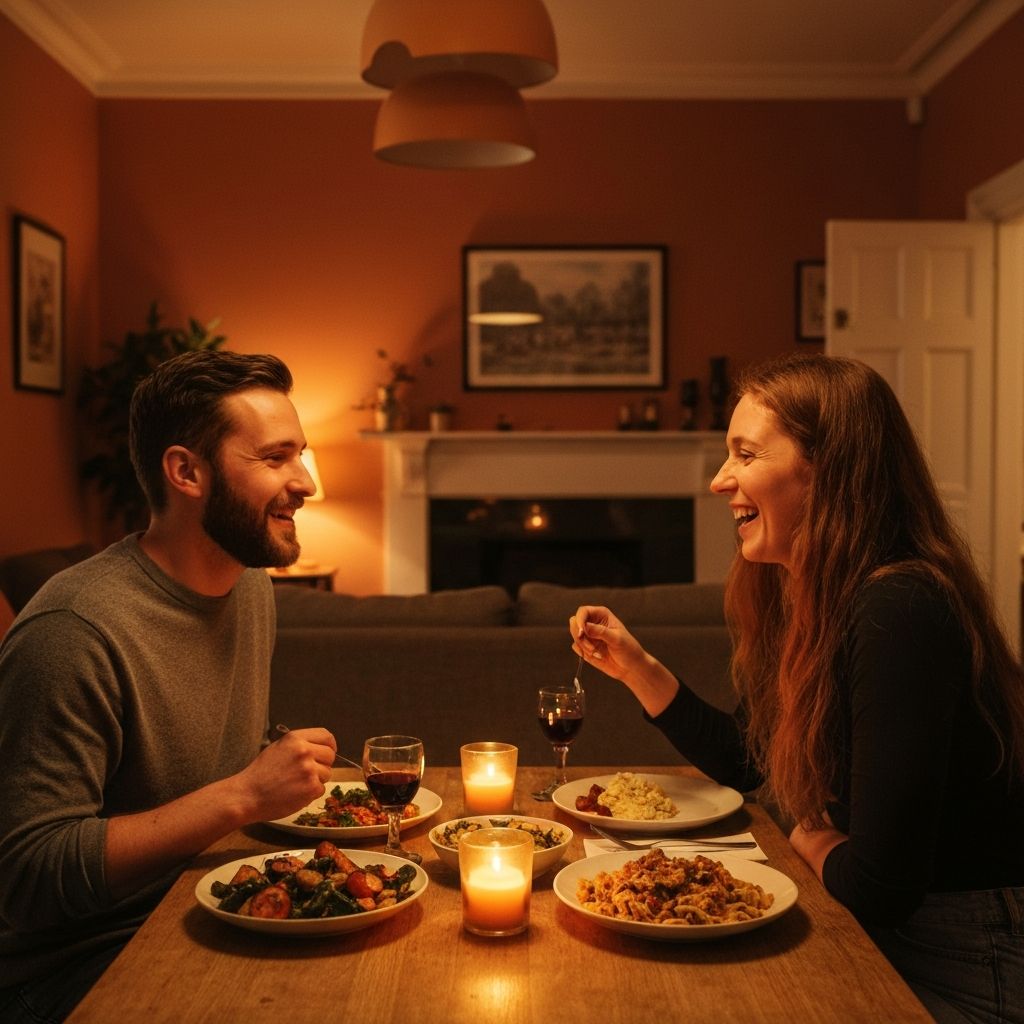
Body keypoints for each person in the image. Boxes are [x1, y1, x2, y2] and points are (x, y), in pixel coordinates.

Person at [571, 353, 1024, 1024]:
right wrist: (638, 667)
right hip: (878, 928)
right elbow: (748, 760)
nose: (721, 480)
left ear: (828, 471)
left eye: (746, 454)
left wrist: (806, 832)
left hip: (961, 954)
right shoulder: (813, 591)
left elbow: (882, 886)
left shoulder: (900, 607)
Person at [0, 350, 338, 1022]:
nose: (306, 483)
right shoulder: (75, 629)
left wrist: (278, 775)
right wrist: (244, 794)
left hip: (206, 908)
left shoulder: (247, 583)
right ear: (186, 471)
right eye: (276, 458)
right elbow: (27, 875)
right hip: (79, 966)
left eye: (300, 455)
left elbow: (194, 763)